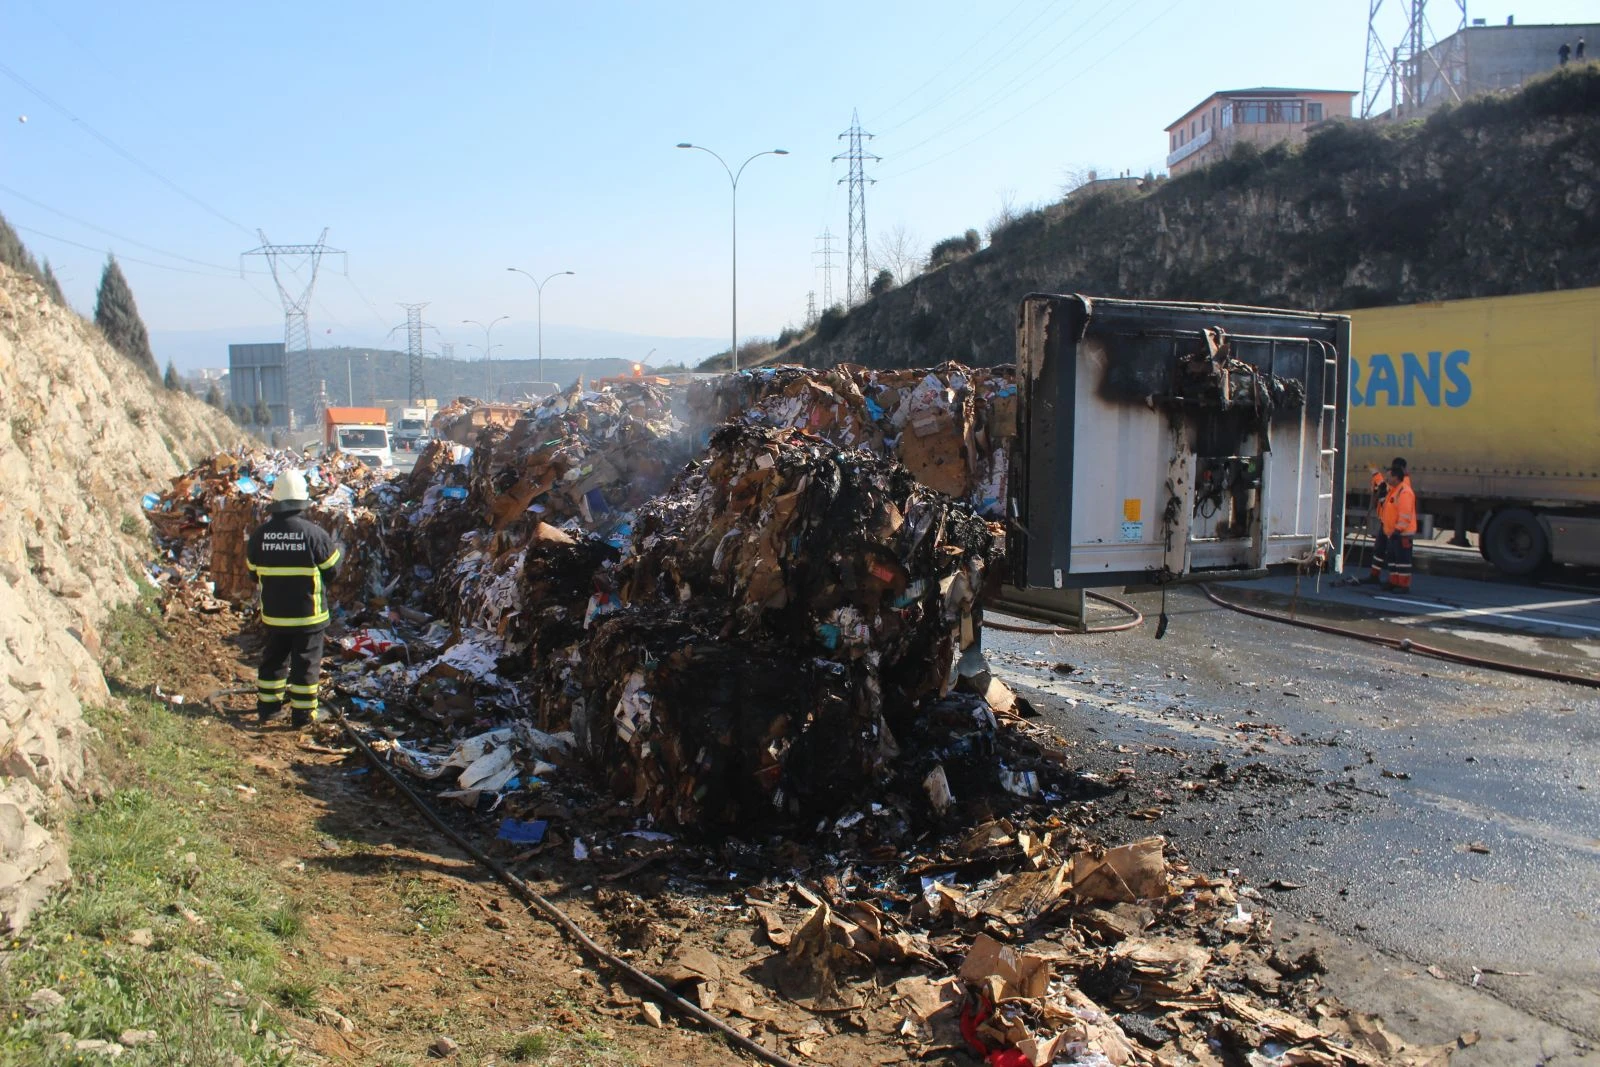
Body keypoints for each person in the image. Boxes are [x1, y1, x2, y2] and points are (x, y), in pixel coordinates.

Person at [246, 471, 341, 725]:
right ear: (301, 502)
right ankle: (303, 715)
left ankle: (268, 709)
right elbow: (333, 571)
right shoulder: (314, 534)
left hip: (275, 616)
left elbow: (253, 573)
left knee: (273, 660)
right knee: (306, 664)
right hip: (309, 616)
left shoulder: (259, 536)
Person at [1370, 463, 1417, 593]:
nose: (1387, 479)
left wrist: (1398, 530)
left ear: (1395, 477)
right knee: (1393, 559)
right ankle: (1394, 582)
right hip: (1392, 533)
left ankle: (1403, 585)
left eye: (1389, 477)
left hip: (1401, 533)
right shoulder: (1394, 490)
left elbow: (1405, 515)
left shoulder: (1404, 492)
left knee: (1402, 561)